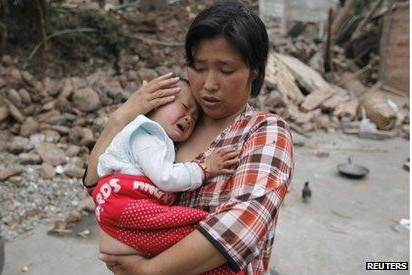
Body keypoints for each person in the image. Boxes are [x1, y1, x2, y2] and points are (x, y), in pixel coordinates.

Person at [83, 2, 294, 274]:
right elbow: (100, 187)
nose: (208, 84)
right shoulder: (174, 125)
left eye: (226, 70)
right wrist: (121, 118)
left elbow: (242, 224)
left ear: (253, 71)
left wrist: (149, 271)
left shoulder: (264, 132)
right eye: (198, 66)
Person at [91, 78, 242, 275]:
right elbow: (165, 178)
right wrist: (204, 168)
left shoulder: (162, 142)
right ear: (156, 104)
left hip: (122, 210)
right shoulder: (146, 135)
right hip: (123, 203)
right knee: (186, 230)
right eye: (184, 107)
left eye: (194, 119)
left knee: (174, 240)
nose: (189, 118)